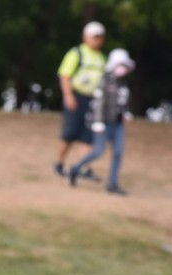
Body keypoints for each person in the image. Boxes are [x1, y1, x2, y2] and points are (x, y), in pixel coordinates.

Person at [68, 48, 136, 196]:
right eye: (121, 65)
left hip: (117, 124)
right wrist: (97, 122)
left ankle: (112, 184)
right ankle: (74, 169)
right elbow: (98, 103)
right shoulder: (104, 80)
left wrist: (126, 113)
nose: (123, 69)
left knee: (118, 152)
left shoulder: (122, 83)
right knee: (98, 151)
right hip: (103, 123)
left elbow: (122, 102)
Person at [53, 21, 107, 178]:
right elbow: (64, 75)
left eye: (99, 37)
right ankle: (59, 162)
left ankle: (84, 168)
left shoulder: (103, 58)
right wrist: (68, 96)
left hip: (94, 101)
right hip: (76, 97)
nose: (96, 40)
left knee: (87, 136)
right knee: (69, 134)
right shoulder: (76, 53)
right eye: (93, 37)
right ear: (85, 37)